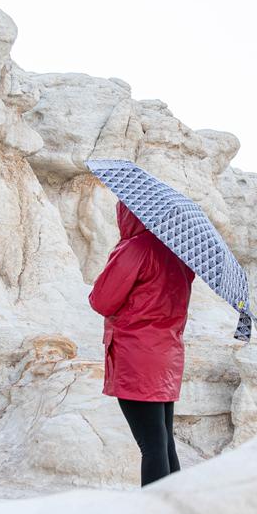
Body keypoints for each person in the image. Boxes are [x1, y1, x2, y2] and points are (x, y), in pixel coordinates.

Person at [88, 201, 195, 486]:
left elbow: (101, 300)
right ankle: (177, 508)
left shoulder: (135, 248)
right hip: (167, 357)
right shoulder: (178, 252)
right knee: (164, 443)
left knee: (151, 447)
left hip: (137, 356)